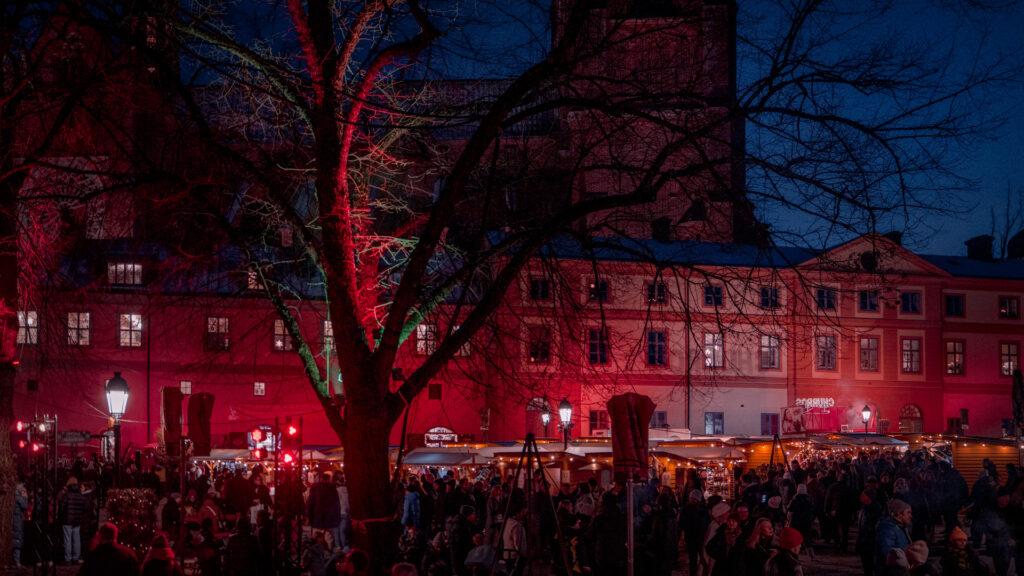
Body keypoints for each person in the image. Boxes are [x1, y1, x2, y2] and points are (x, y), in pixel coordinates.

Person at [876, 499, 912, 575]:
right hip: (891, 571)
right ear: (899, 514)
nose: (911, 516)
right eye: (908, 513)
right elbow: (889, 552)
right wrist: (904, 562)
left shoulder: (901, 527)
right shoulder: (887, 529)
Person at [308, 472, 343, 549]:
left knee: (315, 539)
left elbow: (310, 504)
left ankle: (316, 555)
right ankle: (327, 554)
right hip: (329, 520)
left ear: (321, 479)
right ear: (329, 479)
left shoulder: (315, 488)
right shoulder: (332, 489)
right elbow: (336, 505)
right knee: (329, 540)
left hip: (317, 518)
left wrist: (310, 517)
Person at [12, 479, 28, 568]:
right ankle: (17, 561)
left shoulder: (14, 493)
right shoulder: (19, 493)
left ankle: (15, 560)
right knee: (17, 538)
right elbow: (24, 505)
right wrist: (25, 497)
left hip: (16, 517)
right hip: (17, 518)